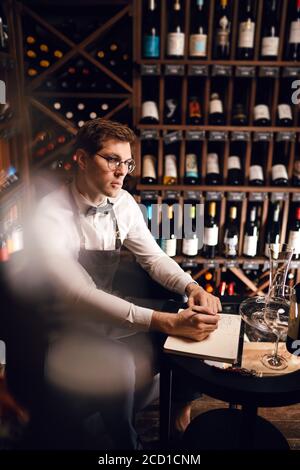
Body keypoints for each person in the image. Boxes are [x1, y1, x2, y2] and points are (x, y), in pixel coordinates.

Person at [28, 118, 221, 449]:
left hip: (104, 305)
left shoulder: (123, 202)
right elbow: (78, 294)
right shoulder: (50, 215)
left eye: (127, 162)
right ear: (82, 159)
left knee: (188, 319)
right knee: (121, 366)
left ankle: (181, 402)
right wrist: (162, 321)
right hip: (63, 323)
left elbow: (154, 258)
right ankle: (126, 445)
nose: (122, 171)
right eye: (112, 159)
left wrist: (193, 287)